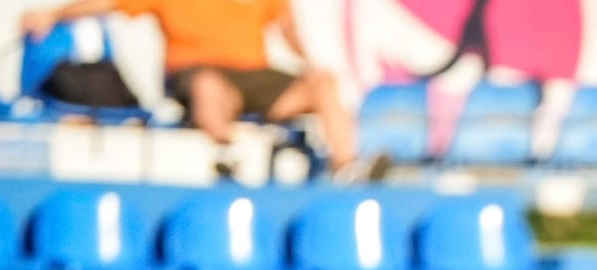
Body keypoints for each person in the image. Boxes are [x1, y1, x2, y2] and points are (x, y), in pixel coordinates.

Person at [19, 0, 357, 172]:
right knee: (209, 87)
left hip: (256, 74)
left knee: (323, 82)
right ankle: (229, 159)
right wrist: (53, 15)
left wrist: (311, 61)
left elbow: (287, 25)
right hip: (195, 72)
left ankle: (345, 169)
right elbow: (108, 4)